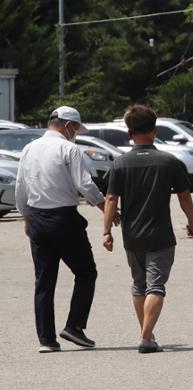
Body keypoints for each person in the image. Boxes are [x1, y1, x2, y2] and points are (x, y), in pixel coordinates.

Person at [15, 106, 118, 353]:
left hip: (38, 219)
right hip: (63, 219)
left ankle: (46, 340)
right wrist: (106, 206)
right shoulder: (68, 149)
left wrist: (26, 217)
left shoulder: (29, 148)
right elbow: (84, 184)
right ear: (67, 125)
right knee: (85, 272)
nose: (75, 134)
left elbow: (21, 186)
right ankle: (74, 326)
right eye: (75, 129)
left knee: (44, 280)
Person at [103, 104, 193, 353]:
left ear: (129, 132)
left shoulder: (120, 163)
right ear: (154, 130)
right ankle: (146, 337)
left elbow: (111, 199)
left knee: (139, 285)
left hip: (132, 235)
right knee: (156, 286)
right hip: (161, 236)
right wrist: (191, 221)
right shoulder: (169, 162)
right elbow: (184, 195)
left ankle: (147, 333)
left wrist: (106, 232)